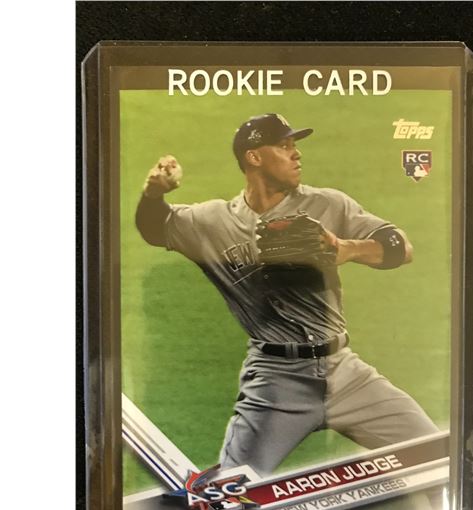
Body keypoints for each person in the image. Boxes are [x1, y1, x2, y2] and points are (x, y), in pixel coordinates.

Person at [136, 113, 438, 476]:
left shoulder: (328, 204)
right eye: (284, 146)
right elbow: (155, 228)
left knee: (435, 456)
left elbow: (401, 246)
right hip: (275, 381)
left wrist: (348, 249)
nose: (296, 154)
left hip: (344, 373)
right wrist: (154, 192)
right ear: (254, 157)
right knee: (233, 491)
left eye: (295, 145)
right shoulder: (213, 222)